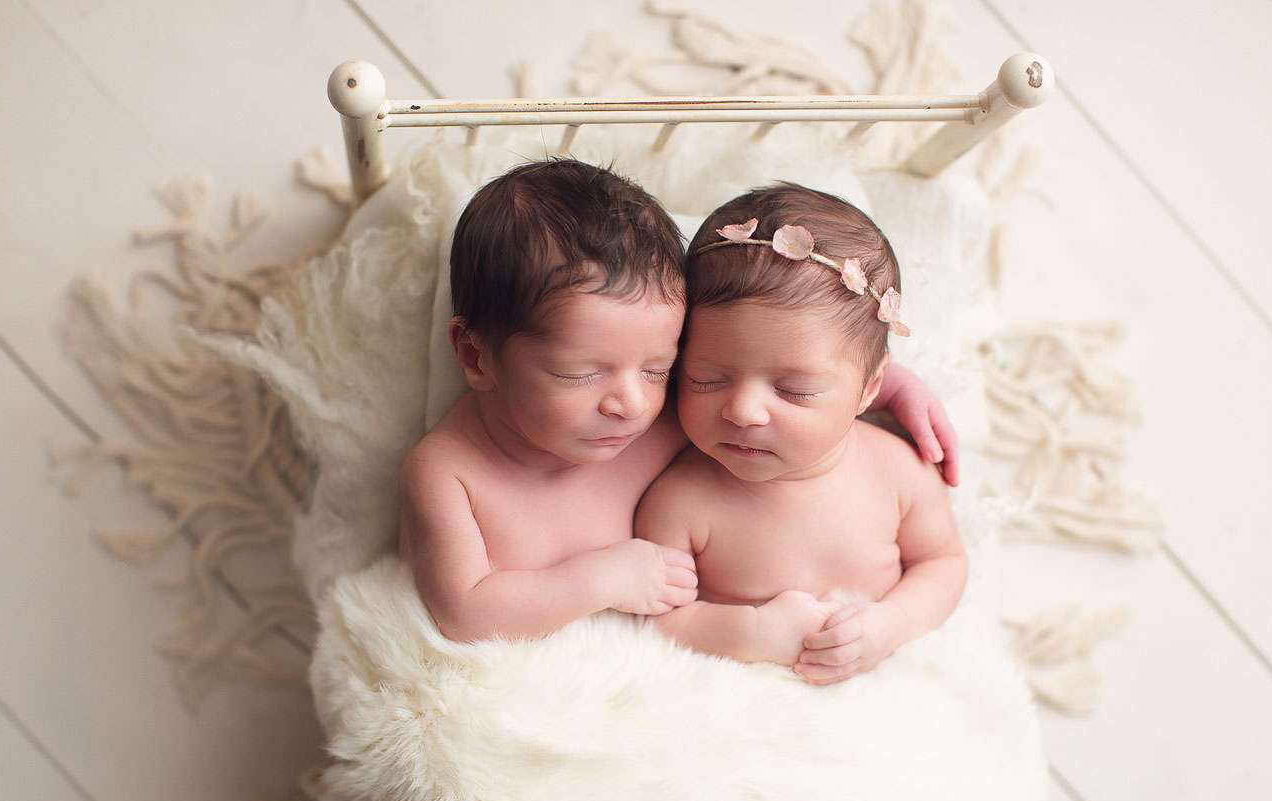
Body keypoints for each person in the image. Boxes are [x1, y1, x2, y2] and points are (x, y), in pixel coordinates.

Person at [401, 161, 959, 644]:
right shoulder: (448, 471)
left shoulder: (667, 410)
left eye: (662, 369)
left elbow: (764, 362)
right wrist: (600, 580)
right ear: (476, 357)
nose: (630, 402)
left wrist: (889, 386)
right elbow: (464, 611)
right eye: (581, 373)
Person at [635, 183, 966, 685]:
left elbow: (942, 563)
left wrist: (891, 625)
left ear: (868, 389)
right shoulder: (679, 501)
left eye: (794, 390)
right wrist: (750, 633)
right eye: (707, 379)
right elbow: (657, 620)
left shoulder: (896, 469)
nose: (743, 411)